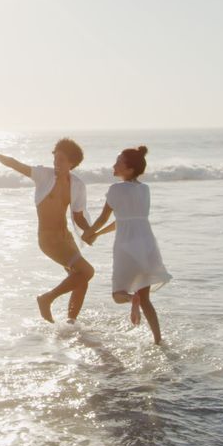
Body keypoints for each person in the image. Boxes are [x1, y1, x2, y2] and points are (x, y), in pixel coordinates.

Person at [0, 138, 95, 324]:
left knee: (81, 279)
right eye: (55, 158)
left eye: (61, 160)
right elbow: (15, 164)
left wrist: (91, 231)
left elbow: (79, 217)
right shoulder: (44, 175)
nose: (56, 163)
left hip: (66, 239)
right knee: (87, 271)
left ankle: (71, 324)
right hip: (49, 240)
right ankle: (46, 299)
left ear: (71, 163)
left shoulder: (78, 185)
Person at [83, 146, 172, 344]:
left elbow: (103, 218)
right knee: (146, 298)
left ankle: (132, 300)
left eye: (118, 162)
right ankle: (158, 339)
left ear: (129, 169)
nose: (114, 165)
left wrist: (88, 233)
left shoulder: (116, 189)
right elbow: (123, 220)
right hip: (147, 246)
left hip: (125, 247)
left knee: (117, 295)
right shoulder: (145, 189)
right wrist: (97, 234)